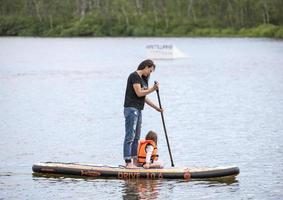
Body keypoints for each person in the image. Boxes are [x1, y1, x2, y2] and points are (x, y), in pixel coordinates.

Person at [123, 59, 162, 168]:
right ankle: (128, 162)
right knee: (130, 136)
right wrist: (153, 89)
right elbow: (139, 93)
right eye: (150, 70)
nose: (150, 73)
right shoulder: (134, 76)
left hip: (139, 109)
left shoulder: (144, 80)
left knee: (137, 137)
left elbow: (144, 97)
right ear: (146, 67)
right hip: (131, 109)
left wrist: (156, 108)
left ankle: (135, 161)